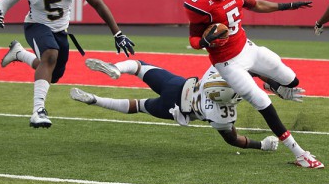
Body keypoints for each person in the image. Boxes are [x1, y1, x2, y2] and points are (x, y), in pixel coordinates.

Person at [183, 0, 323, 169]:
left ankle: (272, 85)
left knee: (291, 81)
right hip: (227, 63)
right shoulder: (199, 5)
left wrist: (287, 5)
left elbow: (255, 4)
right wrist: (204, 41)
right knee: (262, 102)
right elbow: (193, 40)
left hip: (248, 48)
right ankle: (300, 153)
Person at [0, 0, 135, 129]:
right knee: (50, 54)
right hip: (36, 24)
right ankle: (38, 111)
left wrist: (117, 33)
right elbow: (6, 0)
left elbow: (97, 3)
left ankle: (19, 54)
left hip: (61, 30)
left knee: (53, 73)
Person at [70, 58, 280, 152]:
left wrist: (271, 83)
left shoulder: (217, 73)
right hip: (175, 110)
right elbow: (234, 140)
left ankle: (116, 68)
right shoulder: (222, 113)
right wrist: (261, 145)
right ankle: (95, 100)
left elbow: (244, 70)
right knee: (139, 106)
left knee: (139, 67)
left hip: (178, 85)